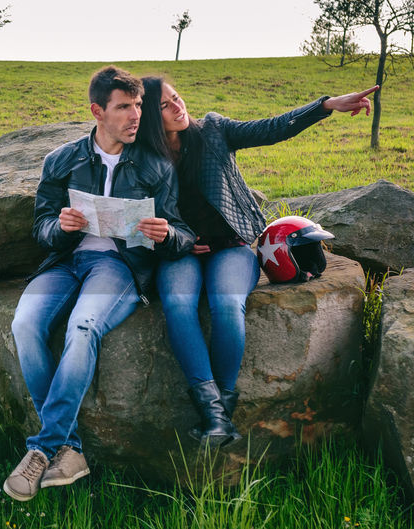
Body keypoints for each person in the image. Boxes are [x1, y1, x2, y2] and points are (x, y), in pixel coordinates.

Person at [134, 76, 378, 446]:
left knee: (227, 304)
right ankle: (215, 415)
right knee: (179, 305)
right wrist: (173, 241)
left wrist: (325, 105)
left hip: (230, 248)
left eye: (177, 98)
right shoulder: (143, 157)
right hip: (178, 252)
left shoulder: (214, 130)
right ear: (150, 117)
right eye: (165, 106)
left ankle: (221, 410)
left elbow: (271, 128)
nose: (177, 107)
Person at [3, 66, 194, 502]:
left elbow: (183, 234)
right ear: (97, 111)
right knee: (25, 325)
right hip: (65, 262)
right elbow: (42, 227)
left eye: (139, 106)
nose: (135, 116)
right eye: (124, 107)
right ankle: (70, 450)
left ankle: (43, 450)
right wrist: (61, 227)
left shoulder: (154, 165)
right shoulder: (62, 160)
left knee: (83, 327)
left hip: (117, 268)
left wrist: (166, 235)